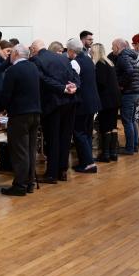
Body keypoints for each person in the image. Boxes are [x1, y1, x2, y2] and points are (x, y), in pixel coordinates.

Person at [30, 39, 78, 184]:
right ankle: (62, 171)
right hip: (70, 102)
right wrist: (74, 86)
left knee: (52, 139)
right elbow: (75, 76)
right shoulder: (62, 57)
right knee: (65, 138)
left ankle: (51, 174)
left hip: (52, 104)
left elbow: (43, 80)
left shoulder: (36, 60)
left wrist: (62, 88)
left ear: (33, 49)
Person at [0, 45, 41, 196]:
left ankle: (20, 185)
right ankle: (29, 182)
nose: (9, 55)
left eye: (11, 53)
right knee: (30, 149)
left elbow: (6, 94)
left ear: (16, 54)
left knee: (19, 151)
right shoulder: (33, 67)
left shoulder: (13, 70)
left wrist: (1, 108)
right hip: (35, 113)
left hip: (19, 115)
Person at [67, 38, 101, 173]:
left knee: (79, 133)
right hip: (93, 101)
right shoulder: (88, 59)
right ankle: (87, 162)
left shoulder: (75, 62)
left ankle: (88, 163)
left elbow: (73, 82)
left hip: (82, 102)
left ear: (71, 50)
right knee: (86, 132)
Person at [112, 39, 139, 155]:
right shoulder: (131, 56)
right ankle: (134, 146)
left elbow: (129, 72)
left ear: (118, 47)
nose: (112, 48)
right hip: (135, 91)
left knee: (127, 121)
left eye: (113, 46)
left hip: (129, 93)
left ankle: (129, 148)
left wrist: (120, 85)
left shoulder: (123, 57)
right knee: (132, 120)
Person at [92, 43, 121, 162]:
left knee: (105, 126)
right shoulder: (109, 63)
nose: (90, 54)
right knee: (113, 126)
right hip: (115, 99)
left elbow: (101, 83)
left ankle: (106, 154)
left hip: (106, 100)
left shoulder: (100, 64)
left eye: (92, 52)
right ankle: (113, 153)